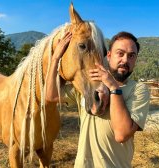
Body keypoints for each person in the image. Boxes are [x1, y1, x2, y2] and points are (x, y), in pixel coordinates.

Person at [46, 31, 150, 167]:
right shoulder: (88, 86)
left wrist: (113, 86)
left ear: (135, 60)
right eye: (120, 53)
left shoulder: (138, 90)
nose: (125, 60)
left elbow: (121, 134)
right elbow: (51, 95)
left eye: (131, 56)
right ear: (109, 55)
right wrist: (55, 59)